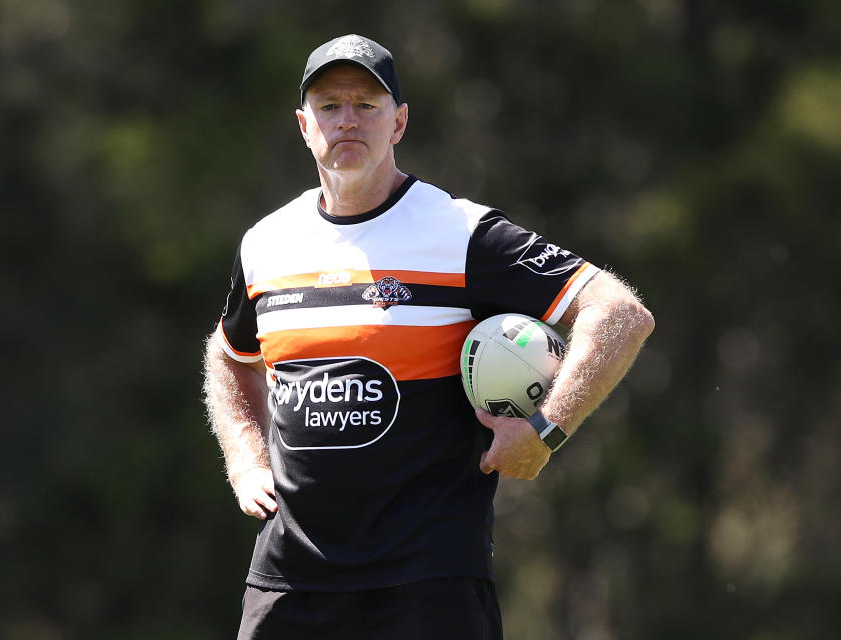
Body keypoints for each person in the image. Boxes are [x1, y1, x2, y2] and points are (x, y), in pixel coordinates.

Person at [203, 34, 654, 640]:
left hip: (428, 579)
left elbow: (619, 312)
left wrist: (546, 429)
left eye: (367, 104)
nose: (348, 120)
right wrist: (244, 460)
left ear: (400, 122)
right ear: (304, 125)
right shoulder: (265, 244)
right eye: (330, 106)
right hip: (292, 578)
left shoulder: (460, 232)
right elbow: (230, 355)